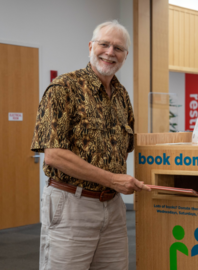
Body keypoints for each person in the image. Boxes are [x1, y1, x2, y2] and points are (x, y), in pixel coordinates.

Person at [31, 20, 150, 270]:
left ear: (125, 56)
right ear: (90, 46)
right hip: (71, 204)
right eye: (104, 44)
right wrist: (112, 179)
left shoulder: (121, 95)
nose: (110, 52)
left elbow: (127, 145)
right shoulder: (63, 88)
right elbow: (54, 155)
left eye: (118, 48)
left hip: (113, 207)